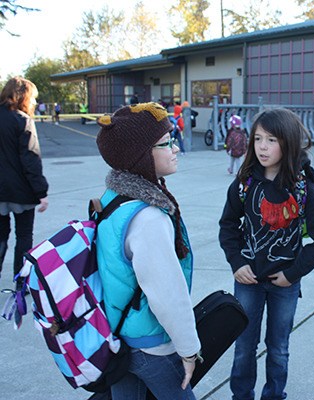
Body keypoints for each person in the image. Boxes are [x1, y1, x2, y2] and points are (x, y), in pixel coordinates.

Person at [219, 108, 314, 400]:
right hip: (248, 280)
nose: (262, 147)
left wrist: (293, 273)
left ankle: (274, 394)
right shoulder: (244, 184)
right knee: (244, 345)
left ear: (288, 142)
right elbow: (228, 226)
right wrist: (237, 262)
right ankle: (241, 395)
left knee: (279, 347)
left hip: (285, 284)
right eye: (257, 138)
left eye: (271, 140)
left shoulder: (303, 188)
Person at [95, 102, 200, 399]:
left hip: (120, 336)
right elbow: (167, 293)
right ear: (142, 156)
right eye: (167, 142)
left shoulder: (114, 198)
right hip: (153, 346)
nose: (176, 148)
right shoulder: (149, 218)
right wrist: (189, 349)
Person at [0, 77, 49, 288]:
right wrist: (41, 192)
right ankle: (21, 282)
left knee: (1, 236)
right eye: (34, 98)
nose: (35, 103)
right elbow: (30, 159)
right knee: (24, 236)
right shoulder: (22, 120)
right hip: (21, 191)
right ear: (24, 97)